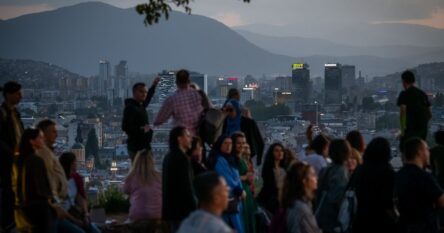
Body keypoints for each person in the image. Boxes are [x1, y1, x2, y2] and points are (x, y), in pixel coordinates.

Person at [396, 138, 444, 233]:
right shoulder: (424, 176)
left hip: (404, 227)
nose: (429, 153)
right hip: (426, 227)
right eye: (426, 149)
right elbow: (441, 201)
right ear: (419, 152)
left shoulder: (398, 176)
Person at [12, 128, 54, 233]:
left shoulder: (17, 160)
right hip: (39, 210)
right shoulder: (36, 161)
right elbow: (42, 187)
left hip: (22, 209)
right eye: (40, 137)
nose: (43, 139)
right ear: (32, 141)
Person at [352, 137, 397, 233]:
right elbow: (388, 202)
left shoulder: (359, 170)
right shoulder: (388, 172)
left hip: (360, 219)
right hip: (381, 221)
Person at [162, 126, 196, 232]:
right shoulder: (182, 158)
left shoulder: (168, 157)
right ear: (179, 139)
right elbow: (187, 186)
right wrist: (194, 206)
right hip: (183, 211)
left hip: (172, 210)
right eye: (187, 136)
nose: (191, 139)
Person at [0, 81, 24, 232]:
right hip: (7, 162)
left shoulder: (15, 114)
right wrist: (12, 154)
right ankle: (8, 224)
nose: (20, 97)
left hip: (17, 160)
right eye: (18, 94)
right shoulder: (2, 114)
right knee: (9, 191)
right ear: (9, 95)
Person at [208, 135, 245, 233]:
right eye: (225, 143)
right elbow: (226, 179)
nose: (228, 146)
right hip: (227, 200)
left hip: (234, 200)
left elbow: (236, 177)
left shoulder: (230, 158)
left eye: (230, 143)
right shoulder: (219, 159)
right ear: (220, 144)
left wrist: (240, 189)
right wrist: (239, 190)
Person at [58, 152, 101, 233]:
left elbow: (81, 198)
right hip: (64, 217)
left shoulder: (75, 178)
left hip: (75, 213)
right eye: (74, 162)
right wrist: (75, 221)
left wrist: (85, 214)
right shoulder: (58, 181)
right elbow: (59, 207)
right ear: (69, 164)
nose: (76, 164)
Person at [154, 69, 204, 136]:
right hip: (198, 138)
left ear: (176, 82)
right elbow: (210, 109)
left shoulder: (172, 99)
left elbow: (159, 120)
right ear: (189, 81)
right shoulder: (199, 95)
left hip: (181, 138)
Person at [316, 139, 351, 233]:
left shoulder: (325, 170)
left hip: (322, 216)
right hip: (336, 219)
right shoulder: (342, 172)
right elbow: (338, 197)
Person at [122, 77, 160, 162]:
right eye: (141, 92)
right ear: (134, 93)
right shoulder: (131, 108)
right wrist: (143, 130)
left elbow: (148, 97)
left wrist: (154, 86)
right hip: (136, 148)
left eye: (145, 92)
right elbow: (125, 127)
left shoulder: (140, 106)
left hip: (144, 146)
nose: (144, 94)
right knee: (140, 173)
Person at [281, 162, 322, 233]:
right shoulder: (301, 209)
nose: (316, 178)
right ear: (304, 180)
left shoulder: (295, 203)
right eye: (313, 175)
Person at [397, 70, 432, 152]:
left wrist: (402, 132)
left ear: (403, 81)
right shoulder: (423, 94)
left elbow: (402, 114)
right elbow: (430, 114)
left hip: (409, 132)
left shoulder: (404, 94)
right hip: (422, 132)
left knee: (406, 152)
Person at [123, 149, 162, 221]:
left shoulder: (132, 177)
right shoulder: (159, 176)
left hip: (137, 215)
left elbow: (125, 190)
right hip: (157, 214)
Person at [35, 119, 68, 201]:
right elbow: (48, 179)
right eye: (53, 132)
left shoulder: (48, 152)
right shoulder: (43, 153)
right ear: (44, 134)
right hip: (49, 201)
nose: (56, 135)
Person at [232, 133, 257, 233]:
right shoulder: (232, 159)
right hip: (239, 193)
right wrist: (245, 177)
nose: (242, 145)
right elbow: (230, 177)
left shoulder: (241, 159)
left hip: (247, 193)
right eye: (238, 143)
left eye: (243, 143)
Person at [257, 143, 286, 215]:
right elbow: (270, 185)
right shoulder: (268, 168)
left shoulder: (284, 168)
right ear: (271, 153)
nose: (280, 153)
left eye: (281, 150)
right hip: (271, 200)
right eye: (276, 151)